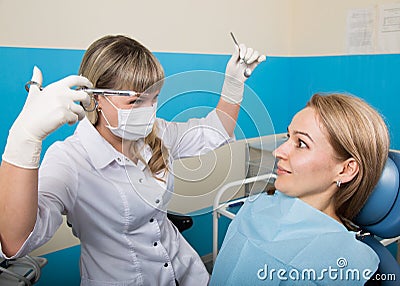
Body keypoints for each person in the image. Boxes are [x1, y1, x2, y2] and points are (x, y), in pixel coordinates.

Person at [0, 34, 266, 285]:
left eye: (154, 99)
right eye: (136, 101)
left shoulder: (157, 132)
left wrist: (233, 83)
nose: (148, 111)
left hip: (185, 271)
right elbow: (16, 242)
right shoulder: (71, 160)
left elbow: (216, 131)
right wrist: (25, 139)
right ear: (97, 98)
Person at [210, 93, 390, 285]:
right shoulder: (255, 206)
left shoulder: (351, 265)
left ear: (346, 170)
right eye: (288, 137)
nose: (278, 152)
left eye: (301, 143)